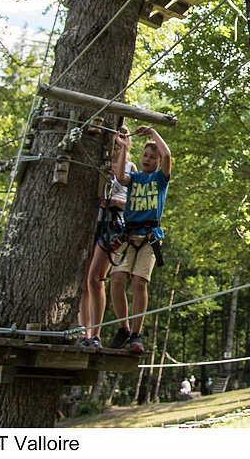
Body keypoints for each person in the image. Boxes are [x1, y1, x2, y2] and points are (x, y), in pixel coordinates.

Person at [106, 125, 172, 353]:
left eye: (152, 157)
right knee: (116, 280)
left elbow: (168, 155)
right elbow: (120, 176)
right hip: (129, 234)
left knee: (138, 282)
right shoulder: (133, 178)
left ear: (157, 161)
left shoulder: (160, 179)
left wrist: (153, 133)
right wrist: (124, 147)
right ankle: (123, 328)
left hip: (150, 237)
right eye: (145, 155)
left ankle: (137, 334)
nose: (147, 159)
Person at [78, 134, 133, 348]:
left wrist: (112, 202)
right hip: (91, 226)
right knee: (85, 283)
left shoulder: (129, 168)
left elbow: (132, 203)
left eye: (120, 143)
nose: (115, 146)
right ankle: (85, 334)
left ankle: (96, 335)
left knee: (96, 278)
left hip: (112, 227)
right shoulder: (96, 164)